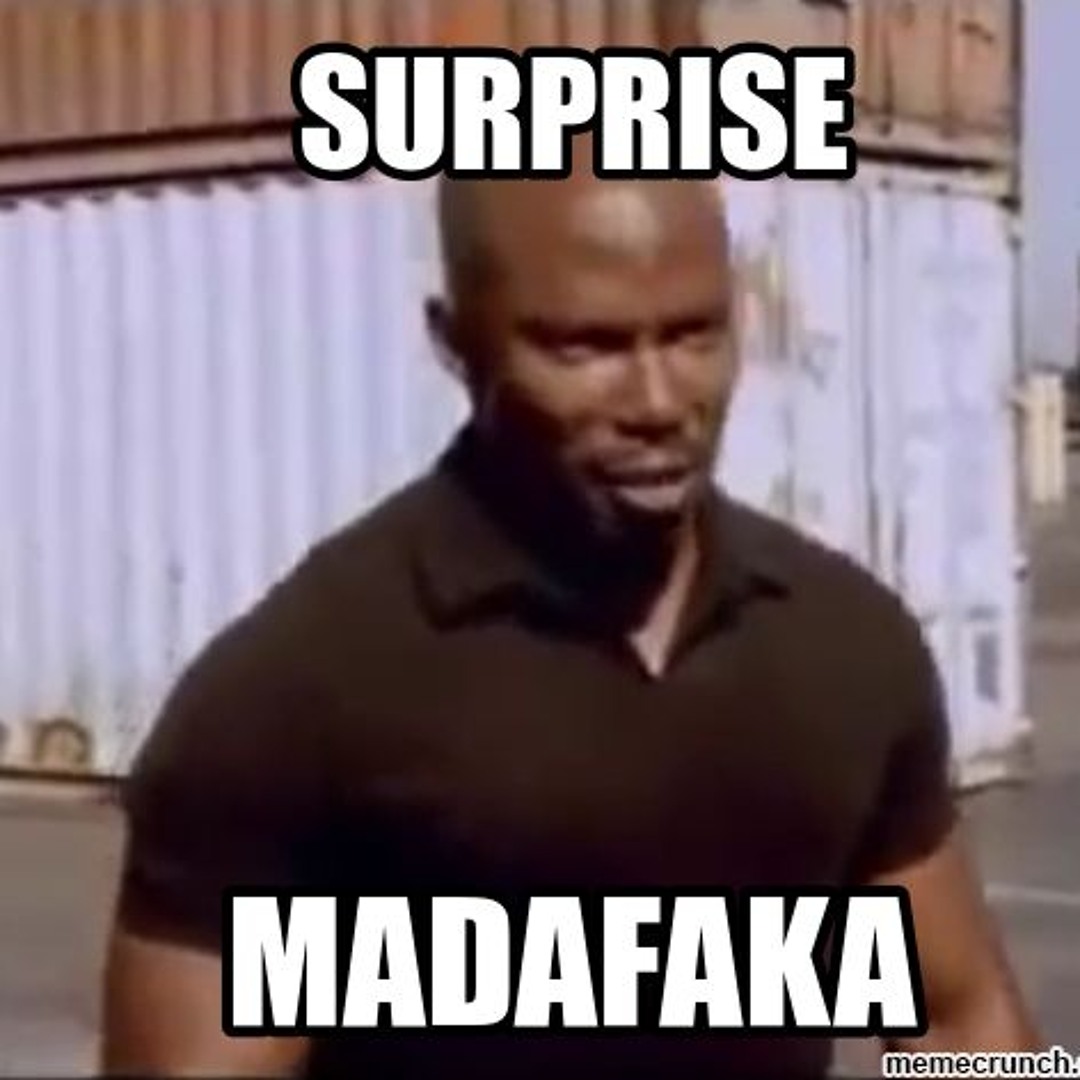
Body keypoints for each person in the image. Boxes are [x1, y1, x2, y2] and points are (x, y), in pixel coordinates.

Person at [101, 163, 1041, 1077]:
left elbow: (960, 1023)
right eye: (586, 348)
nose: (659, 402)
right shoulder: (296, 693)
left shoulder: (844, 646)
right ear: (457, 343)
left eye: (695, 334)